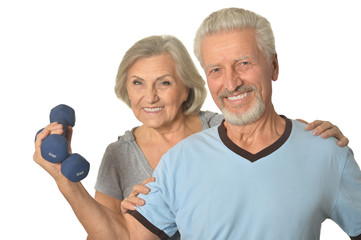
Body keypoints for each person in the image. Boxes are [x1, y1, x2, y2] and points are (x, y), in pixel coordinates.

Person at [33, 9, 357, 239]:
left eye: (244, 63)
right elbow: (119, 238)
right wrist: (66, 182)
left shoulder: (321, 150)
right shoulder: (176, 159)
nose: (231, 82)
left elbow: (262, 130)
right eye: (216, 69)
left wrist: (316, 143)